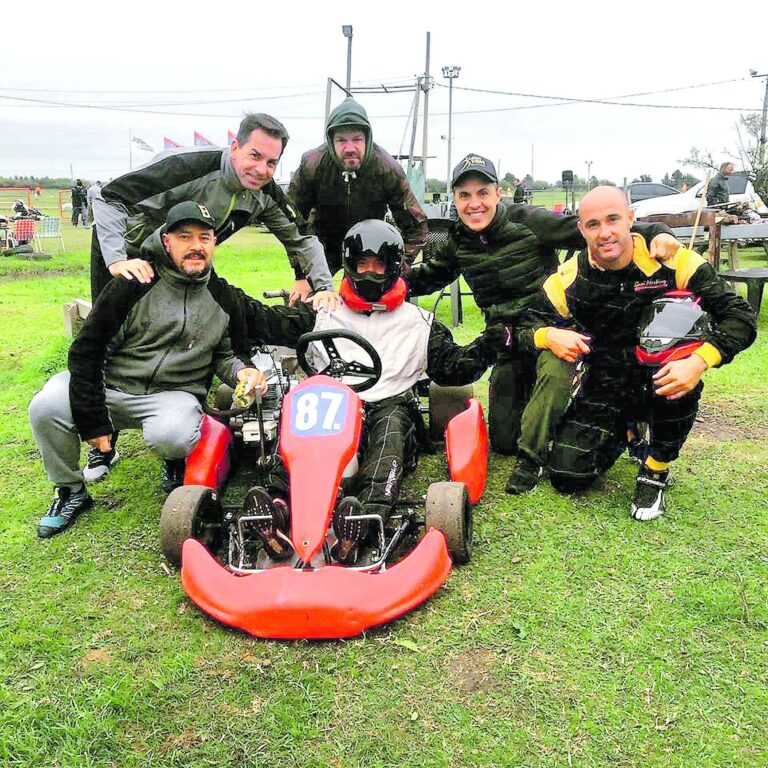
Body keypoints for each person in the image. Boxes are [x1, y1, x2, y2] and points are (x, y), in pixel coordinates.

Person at [236, 220, 506, 564]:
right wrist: (217, 289)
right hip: (332, 402)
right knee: (299, 415)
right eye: (363, 263)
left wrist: (490, 342)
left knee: (390, 429)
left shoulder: (418, 322)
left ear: (394, 268)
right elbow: (263, 319)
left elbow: (454, 368)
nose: (370, 272)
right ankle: (275, 507)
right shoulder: (325, 311)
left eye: (379, 264)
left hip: (390, 403)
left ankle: (362, 519)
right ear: (350, 264)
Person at [403, 153, 681, 461]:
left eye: (483, 192)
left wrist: (657, 231)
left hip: (554, 333)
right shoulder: (457, 241)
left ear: (498, 193)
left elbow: (595, 231)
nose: (474, 203)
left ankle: (611, 411)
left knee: (555, 420)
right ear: (454, 199)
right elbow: (427, 277)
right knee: (506, 442)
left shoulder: (530, 221)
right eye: (464, 195)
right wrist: (375, 286)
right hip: (509, 342)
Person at [28, 202, 267, 538]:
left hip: (171, 395)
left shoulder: (223, 296)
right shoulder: (134, 284)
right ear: (166, 241)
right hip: (109, 386)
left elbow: (228, 355)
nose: (196, 246)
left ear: (214, 243)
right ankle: (70, 491)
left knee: (172, 435)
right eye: (185, 236)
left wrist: (244, 372)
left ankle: (173, 459)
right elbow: (87, 351)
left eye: (204, 237)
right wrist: (94, 420)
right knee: (45, 407)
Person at [516, 186, 756, 518]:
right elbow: (524, 326)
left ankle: (655, 468)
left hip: (664, 376)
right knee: (567, 476)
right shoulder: (569, 277)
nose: (606, 232)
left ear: (630, 218)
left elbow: (740, 316)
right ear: (581, 230)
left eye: (614, 219)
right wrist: (548, 335)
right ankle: (628, 430)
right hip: (606, 381)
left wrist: (701, 360)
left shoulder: (673, 260)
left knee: (676, 372)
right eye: (594, 224)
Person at [90, 112, 335, 306]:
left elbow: (302, 239)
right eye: (255, 156)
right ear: (236, 147)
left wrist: (324, 288)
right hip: (126, 249)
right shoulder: (186, 166)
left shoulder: (267, 193)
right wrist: (117, 259)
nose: (262, 169)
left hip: (182, 259)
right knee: (111, 332)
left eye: (271, 162)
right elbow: (108, 197)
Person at [287, 97, 428, 274]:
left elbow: (416, 226)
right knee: (308, 300)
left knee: (374, 298)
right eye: (341, 140)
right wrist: (300, 273)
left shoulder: (387, 169)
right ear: (331, 141)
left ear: (367, 139)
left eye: (357, 139)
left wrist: (398, 266)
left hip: (369, 250)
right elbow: (291, 219)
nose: (350, 148)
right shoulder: (312, 165)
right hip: (321, 248)